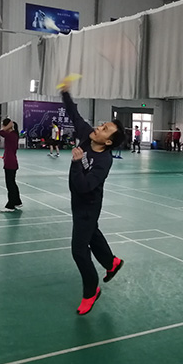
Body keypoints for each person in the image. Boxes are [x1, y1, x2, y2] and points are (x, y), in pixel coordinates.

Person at [60, 81, 126, 316]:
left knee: (79, 250)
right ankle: (112, 262)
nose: (99, 127)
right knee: (93, 234)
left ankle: (91, 291)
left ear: (107, 142)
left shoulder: (103, 162)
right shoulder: (88, 137)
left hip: (87, 206)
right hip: (78, 203)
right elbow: (74, 114)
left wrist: (76, 163)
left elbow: (85, 186)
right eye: (102, 125)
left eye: (104, 129)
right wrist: (65, 93)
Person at [0, 118, 22, 212]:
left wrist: (8, 126)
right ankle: (17, 202)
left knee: (10, 185)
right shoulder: (14, 135)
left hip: (10, 163)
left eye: (3, 125)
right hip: (11, 161)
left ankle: (10, 206)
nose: (2, 127)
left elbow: (0, 132)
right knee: (13, 183)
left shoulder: (11, 135)